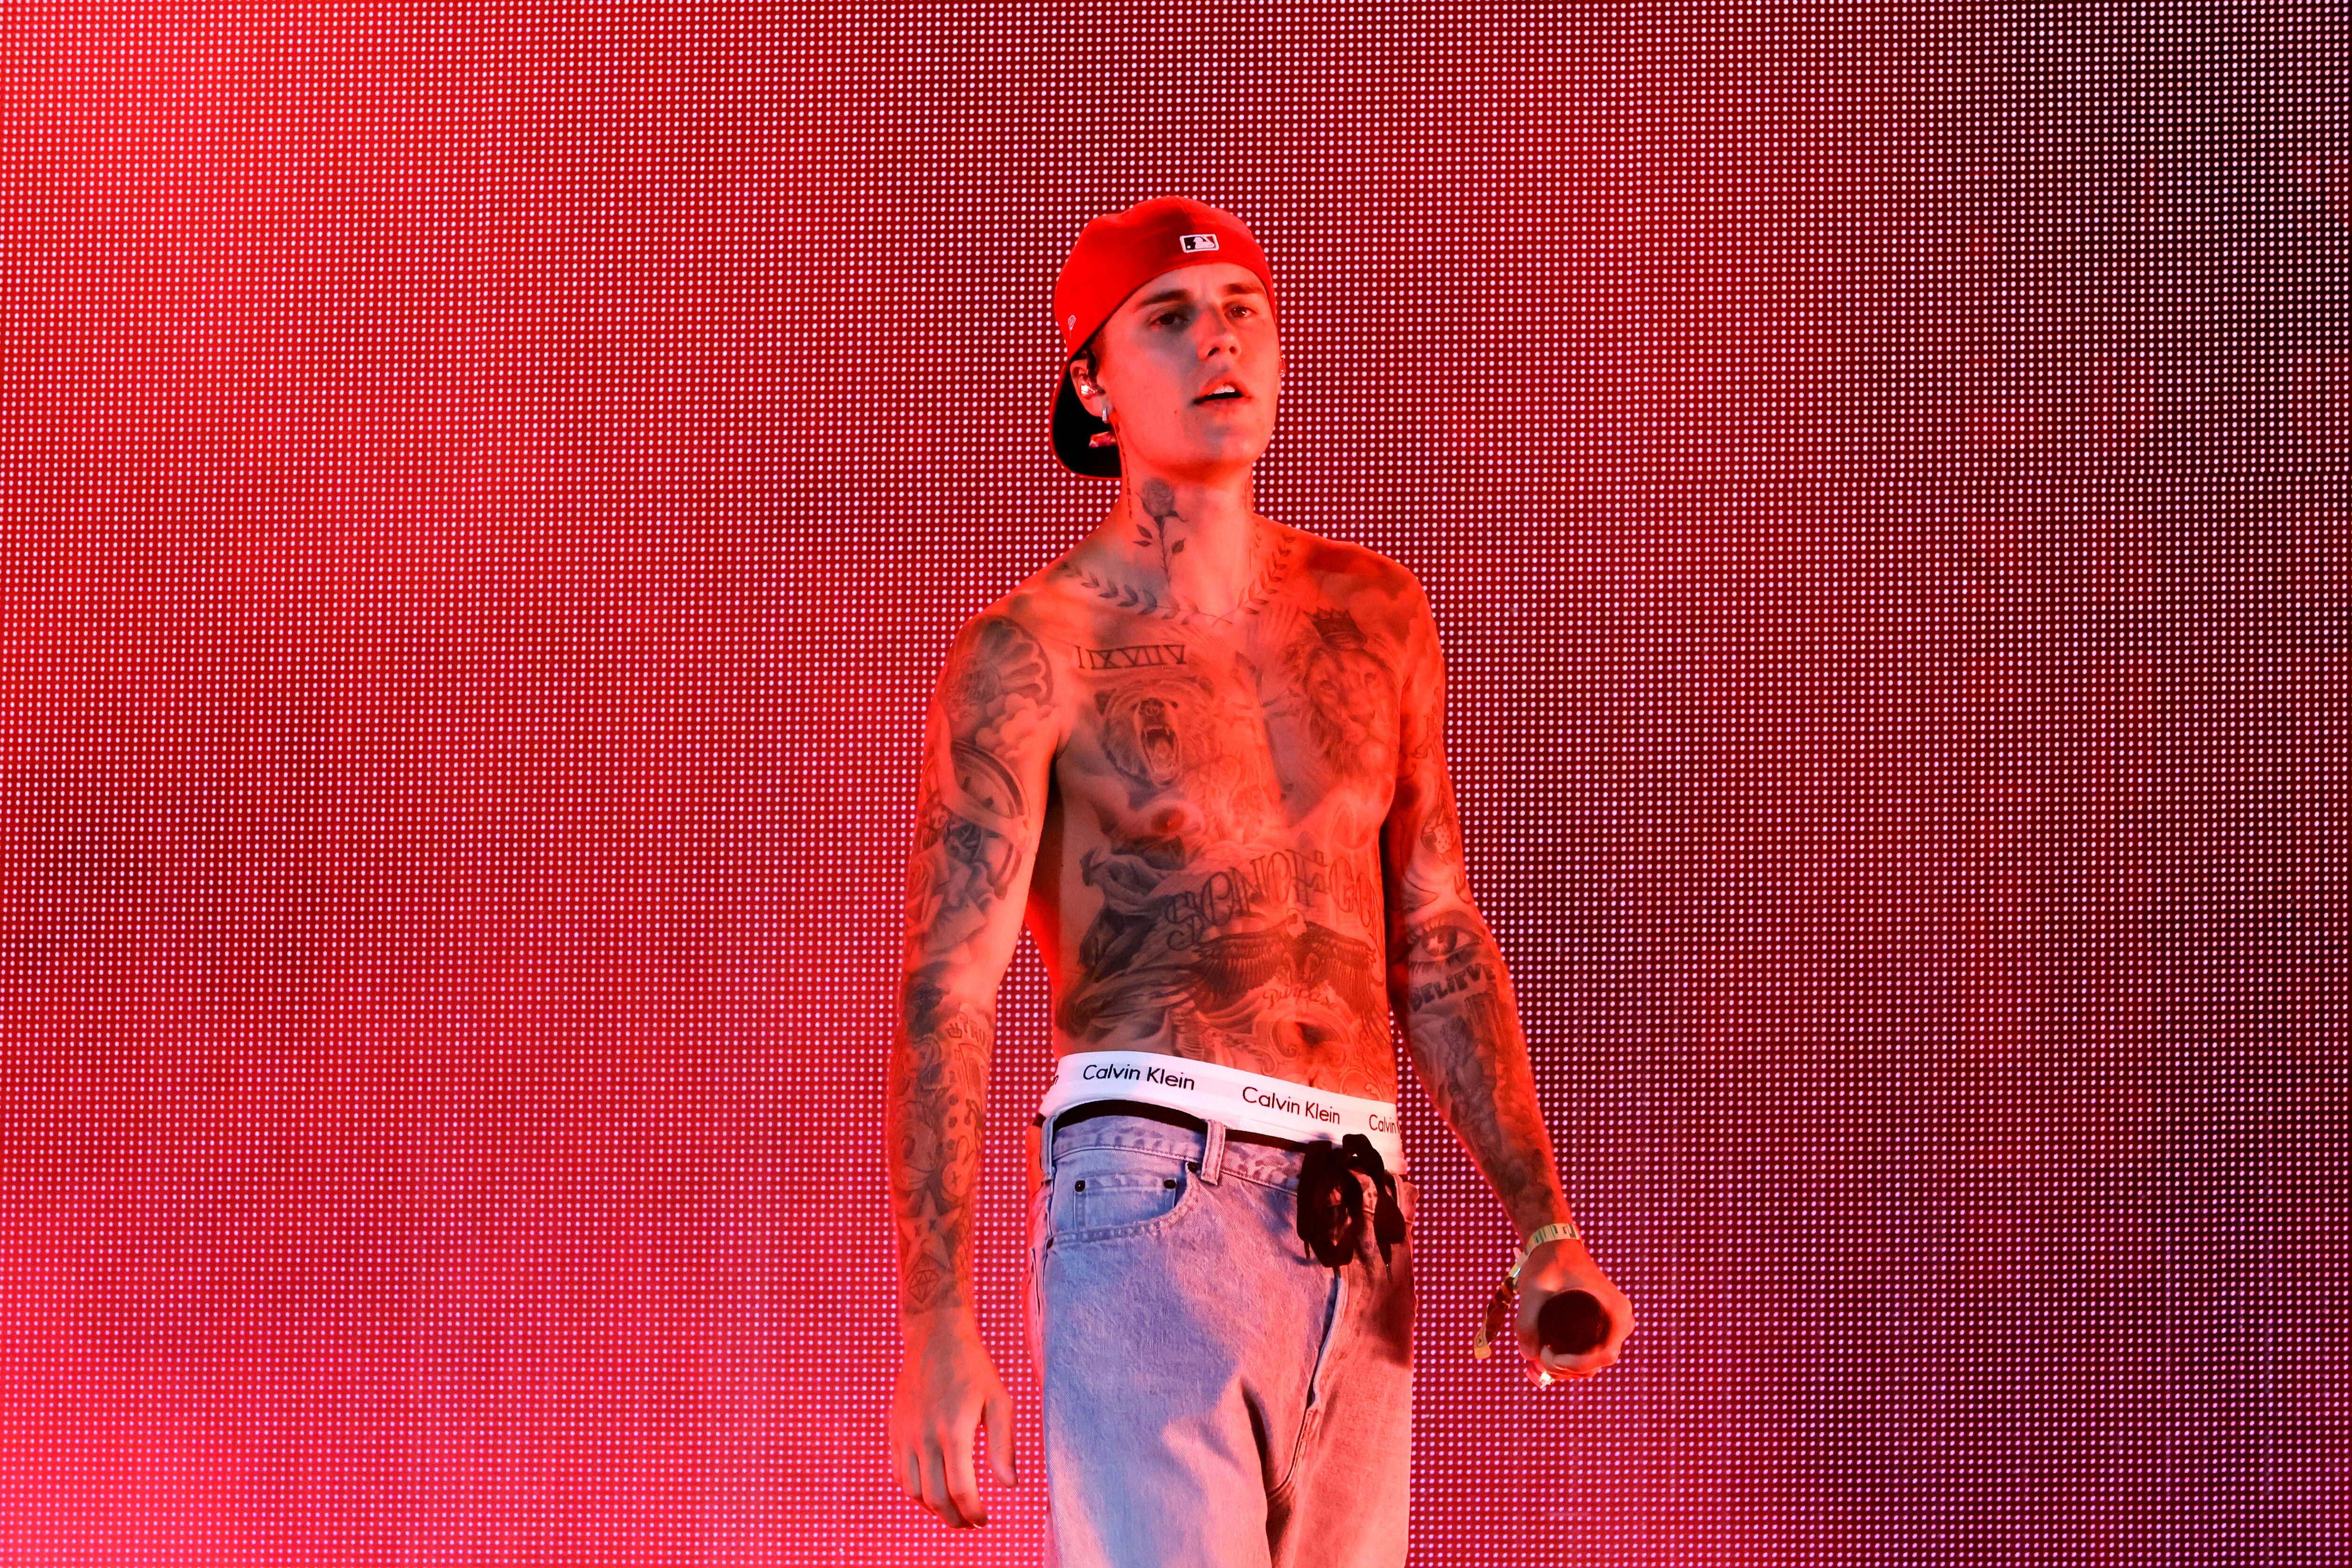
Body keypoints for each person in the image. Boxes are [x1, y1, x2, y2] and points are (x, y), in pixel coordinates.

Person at [887, 196, 1637, 1566]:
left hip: (1363, 1211)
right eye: (1169, 318)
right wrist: (938, 1317)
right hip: (1152, 1188)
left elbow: (1434, 933)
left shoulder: (1376, 614)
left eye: (1243, 310)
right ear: (1093, 387)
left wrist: (1543, 1223)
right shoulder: (1034, 650)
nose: (1217, 340)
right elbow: (951, 985)